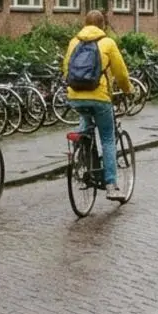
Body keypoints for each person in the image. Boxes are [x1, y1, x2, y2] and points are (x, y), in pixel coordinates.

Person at [62, 10, 133, 200]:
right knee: (108, 139)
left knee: (85, 120)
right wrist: (128, 90)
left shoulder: (74, 42)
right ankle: (111, 185)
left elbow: (66, 70)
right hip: (100, 97)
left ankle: (82, 152)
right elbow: (121, 74)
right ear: (103, 25)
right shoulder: (108, 43)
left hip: (75, 96)